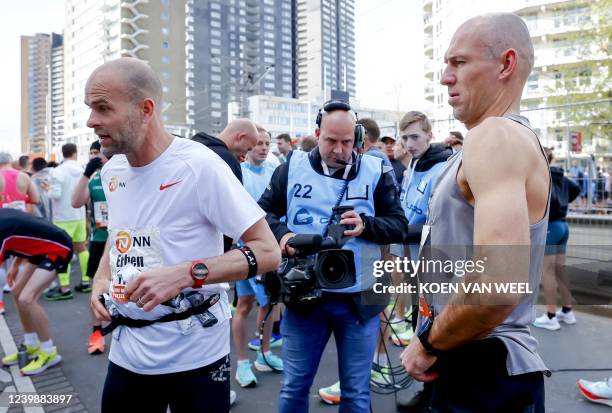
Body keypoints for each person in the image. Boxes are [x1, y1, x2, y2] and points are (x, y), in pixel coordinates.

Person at [85, 57, 280, 412]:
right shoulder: (112, 171)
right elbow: (119, 238)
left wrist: (185, 273)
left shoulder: (200, 166)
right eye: (91, 109)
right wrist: (101, 280)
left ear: (145, 109)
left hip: (197, 358)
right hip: (128, 353)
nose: (91, 121)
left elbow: (268, 251)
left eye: (102, 108)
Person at [400, 13, 549, 413]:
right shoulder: (494, 140)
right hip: (475, 364)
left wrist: (427, 341)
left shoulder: (495, 135)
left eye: (459, 62)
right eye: (446, 64)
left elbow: (499, 282)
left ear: (506, 64)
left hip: (481, 368)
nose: (446, 77)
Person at [259, 100, 408, 412]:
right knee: (294, 388)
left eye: (346, 142)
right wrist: (283, 236)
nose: (339, 150)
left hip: (359, 301)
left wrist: (366, 225)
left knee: (355, 394)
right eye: (330, 141)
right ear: (317, 133)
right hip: (304, 297)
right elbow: (262, 215)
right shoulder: (291, 168)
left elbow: (399, 225)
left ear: (356, 137)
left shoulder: (375, 170)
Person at [233, 127, 283, 388]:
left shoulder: (275, 169)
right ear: (249, 147)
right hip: (243, 249)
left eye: (267, 143)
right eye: (258, 144)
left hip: (269, 247)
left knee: (270, 302)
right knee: (245, 305)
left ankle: (264, 354)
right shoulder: (238, 172)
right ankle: (242, 362)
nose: (263, 147)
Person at [0, 209, 73, 375]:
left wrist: (16, 263)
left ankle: (48, 352)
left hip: (57, 248)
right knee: (17, 292)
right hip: (39, 249)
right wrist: (16, 264)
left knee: (27, 298)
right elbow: (25, 230)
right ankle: (32, 344)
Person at [533, 149, 580, 331]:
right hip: (562, 226)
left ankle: (551, 316)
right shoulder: (560, 175)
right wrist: (564, 202)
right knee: (560, 271)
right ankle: (567, 312)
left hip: (550, 227)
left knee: (548, 273)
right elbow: (576, 189)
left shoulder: (542, 176)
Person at [71, 141, 110, 354]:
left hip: (125, 241)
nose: (96, 157)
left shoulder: (125, 172)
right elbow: (76, 202)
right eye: (92, 153)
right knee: (98, 287)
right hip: (99, 239)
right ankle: (97, 333)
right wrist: (86, 174)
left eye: (99, 153)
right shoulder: (93, 178)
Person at [46, 143, 89, 300]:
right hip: (79, 214)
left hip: (62, 217)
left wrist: (47, 190)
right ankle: (85, 281)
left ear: (62, 154)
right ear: (75, 153)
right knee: (82, 248)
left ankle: (64, 287)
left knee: (62, 251)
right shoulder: (83, 170)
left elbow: (56, 194)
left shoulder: (57, 171)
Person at [0, 152, 39, 314]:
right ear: (11, 162)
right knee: (21, 258)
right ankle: (21, 293)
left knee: (1, 261)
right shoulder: (24, 177)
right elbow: (35, 199)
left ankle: (0, 303)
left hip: (2, 220)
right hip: (21, 222)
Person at [31, 157, 53, 221]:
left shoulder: (32, 181)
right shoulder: (55, 177)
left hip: (40, 221)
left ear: (33, 168)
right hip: (57, 219)